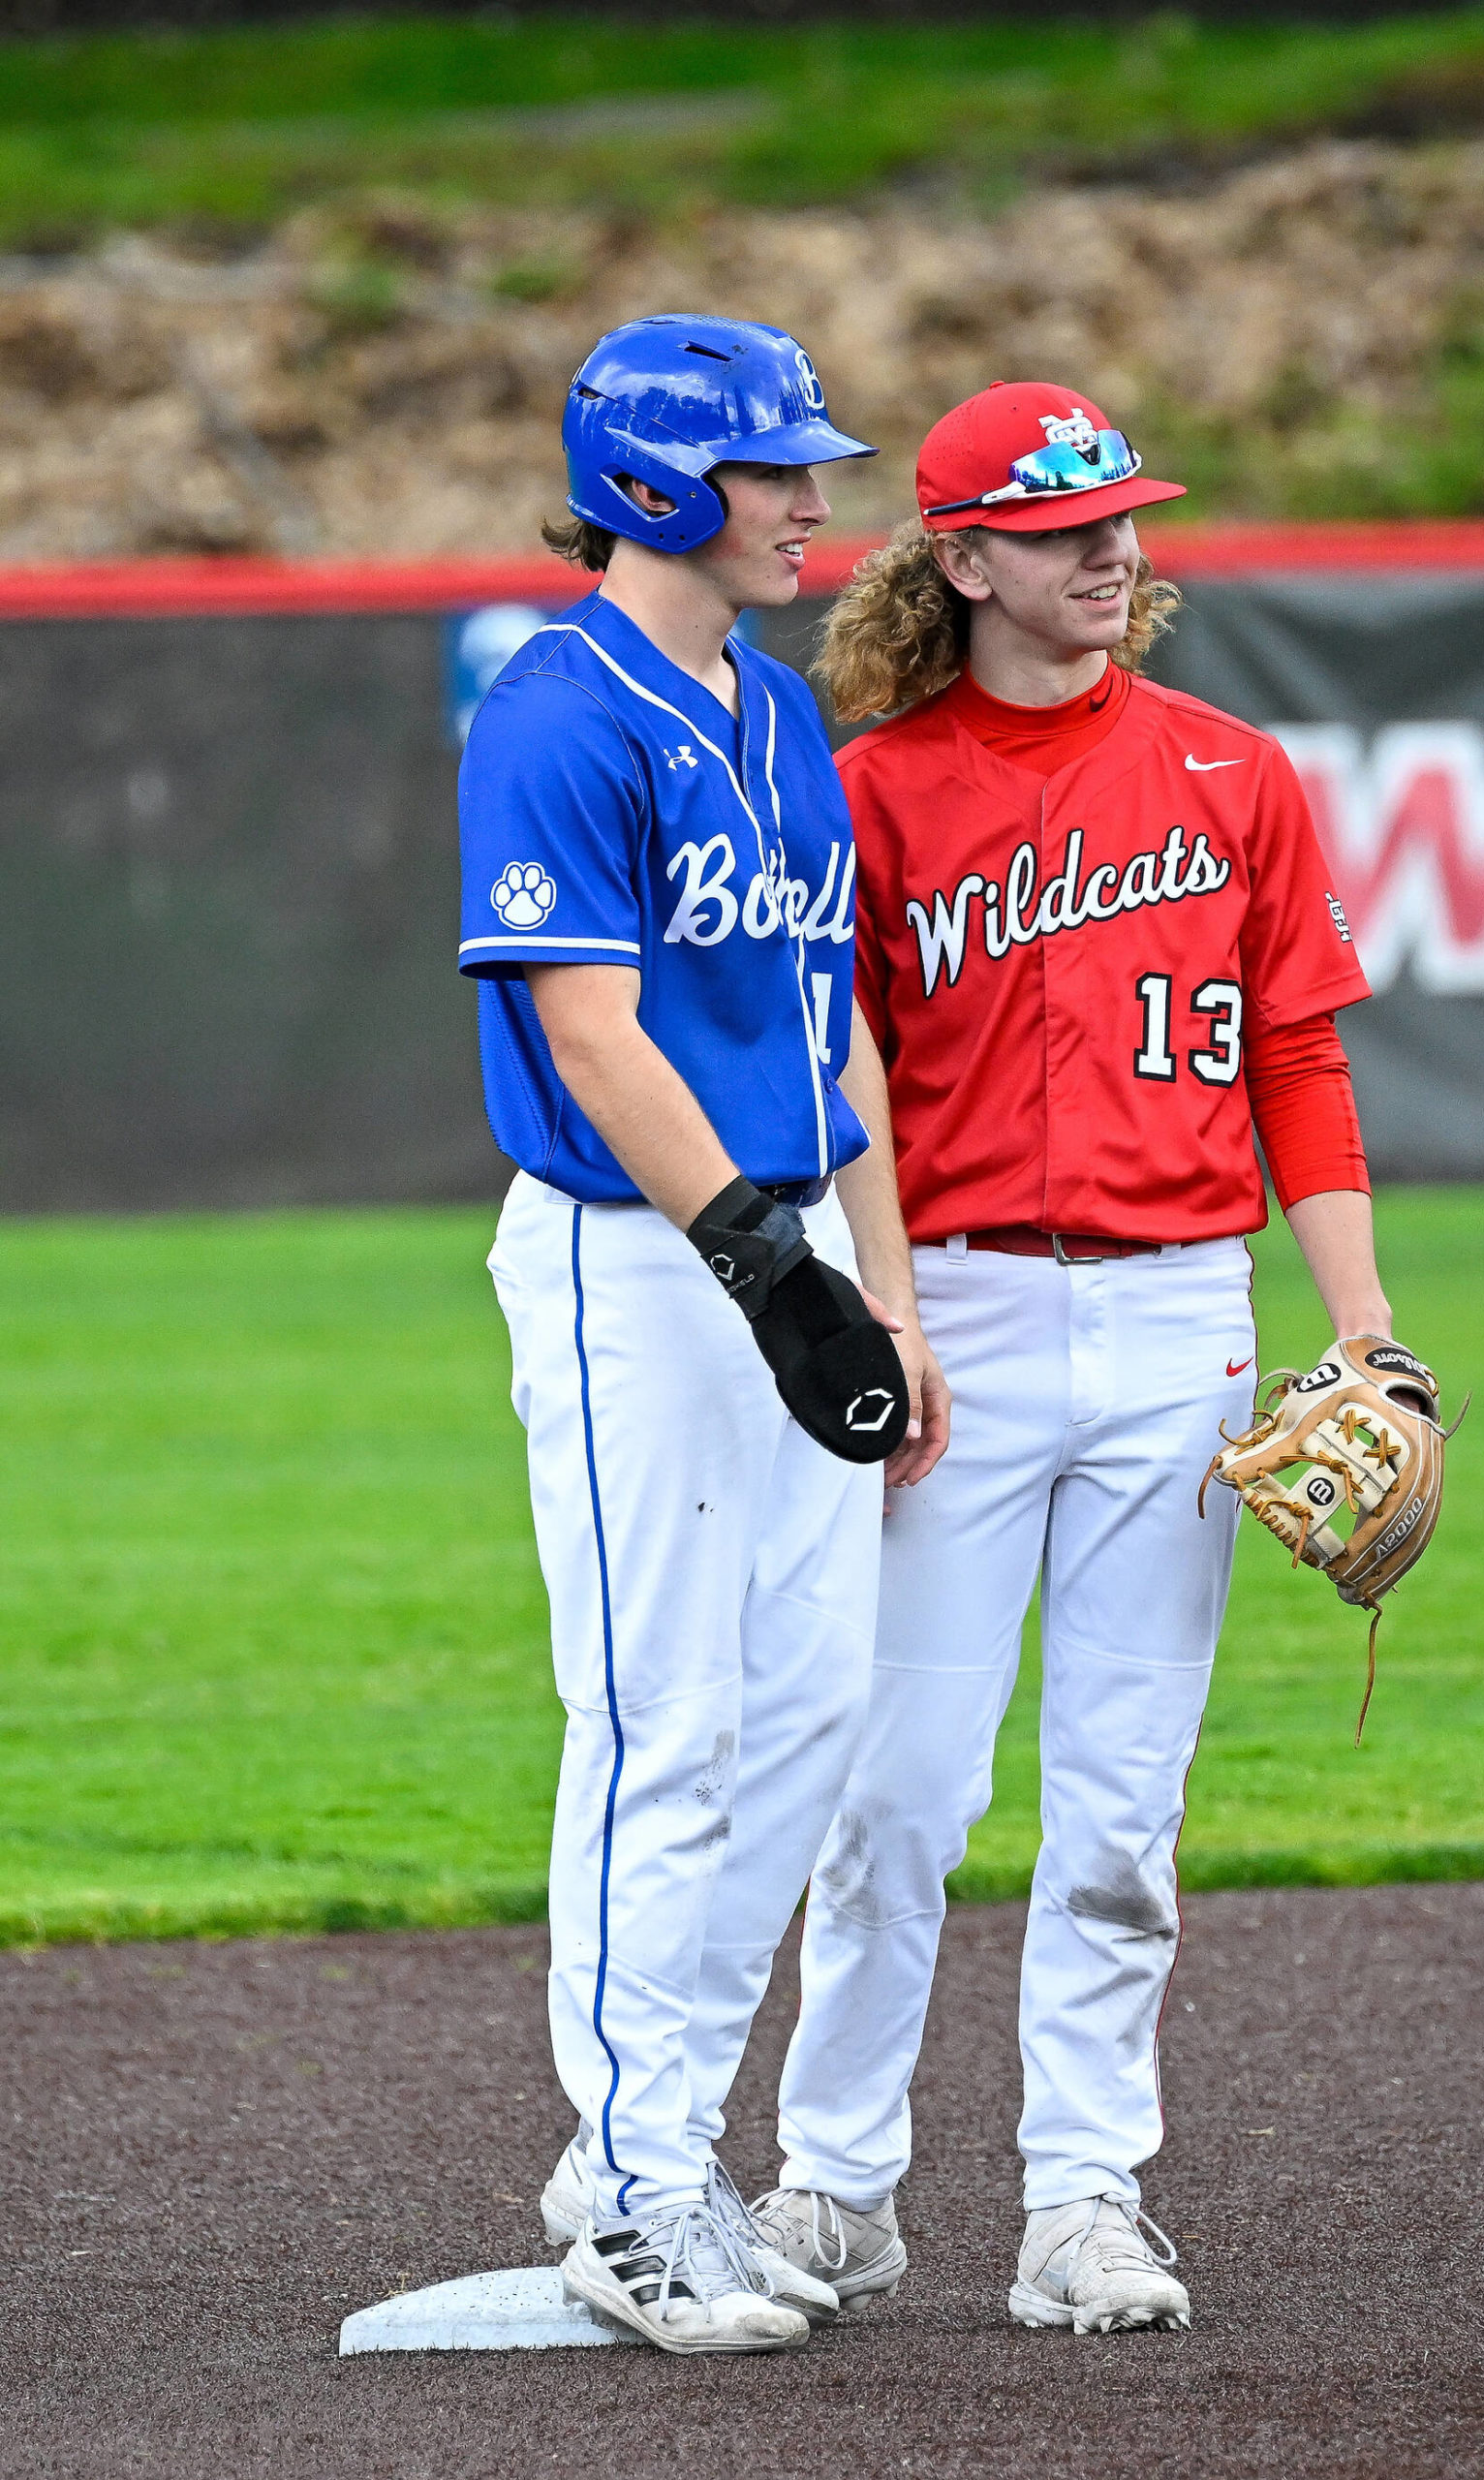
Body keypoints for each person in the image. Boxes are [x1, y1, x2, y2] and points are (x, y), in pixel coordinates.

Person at [750, 382, 1412, 2336]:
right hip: (947, 1302)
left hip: (1176, 1321)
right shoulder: (867, 790)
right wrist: (876, 1299)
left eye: (1121, 519)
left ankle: (1082, 2199)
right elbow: (835, 1071)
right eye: (1060, 530)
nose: (1109, 550)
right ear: (959, 559)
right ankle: (836, 2184)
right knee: (897, 1790)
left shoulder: (1229, 774)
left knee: (1121, 1805)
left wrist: (1362, 1325)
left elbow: (1297, 1054)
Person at [456, 315, 947, 2356]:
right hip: (637, 1259)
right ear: (659, 482)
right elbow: (589, 1022)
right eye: (775, 469)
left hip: (790, 1231)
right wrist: (768, 1261)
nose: (815, 499)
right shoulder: (555, 705)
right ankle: (640, 2181)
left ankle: (658, 2141)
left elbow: (830, 1020)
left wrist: (881, 1282)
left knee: (813, 1709)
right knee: (662, 1718)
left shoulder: (774, 709)